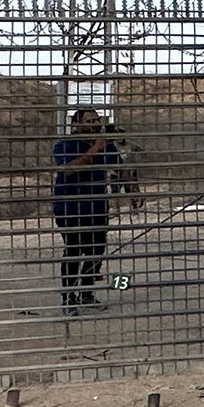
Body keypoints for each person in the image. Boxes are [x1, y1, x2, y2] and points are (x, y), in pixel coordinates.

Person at [53, 108, 124, 314]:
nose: (96, 123)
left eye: (97, 120)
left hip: (97, 207)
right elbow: (69, 168)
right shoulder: (64, 145)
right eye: (90, 120)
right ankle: (68, 298)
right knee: (74, 250)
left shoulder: (107, 147)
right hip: (70, 208)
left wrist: (133, 189)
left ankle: (86, 292)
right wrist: (96, 147)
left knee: (96, 250)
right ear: (76, 124)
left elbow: (121, 168)